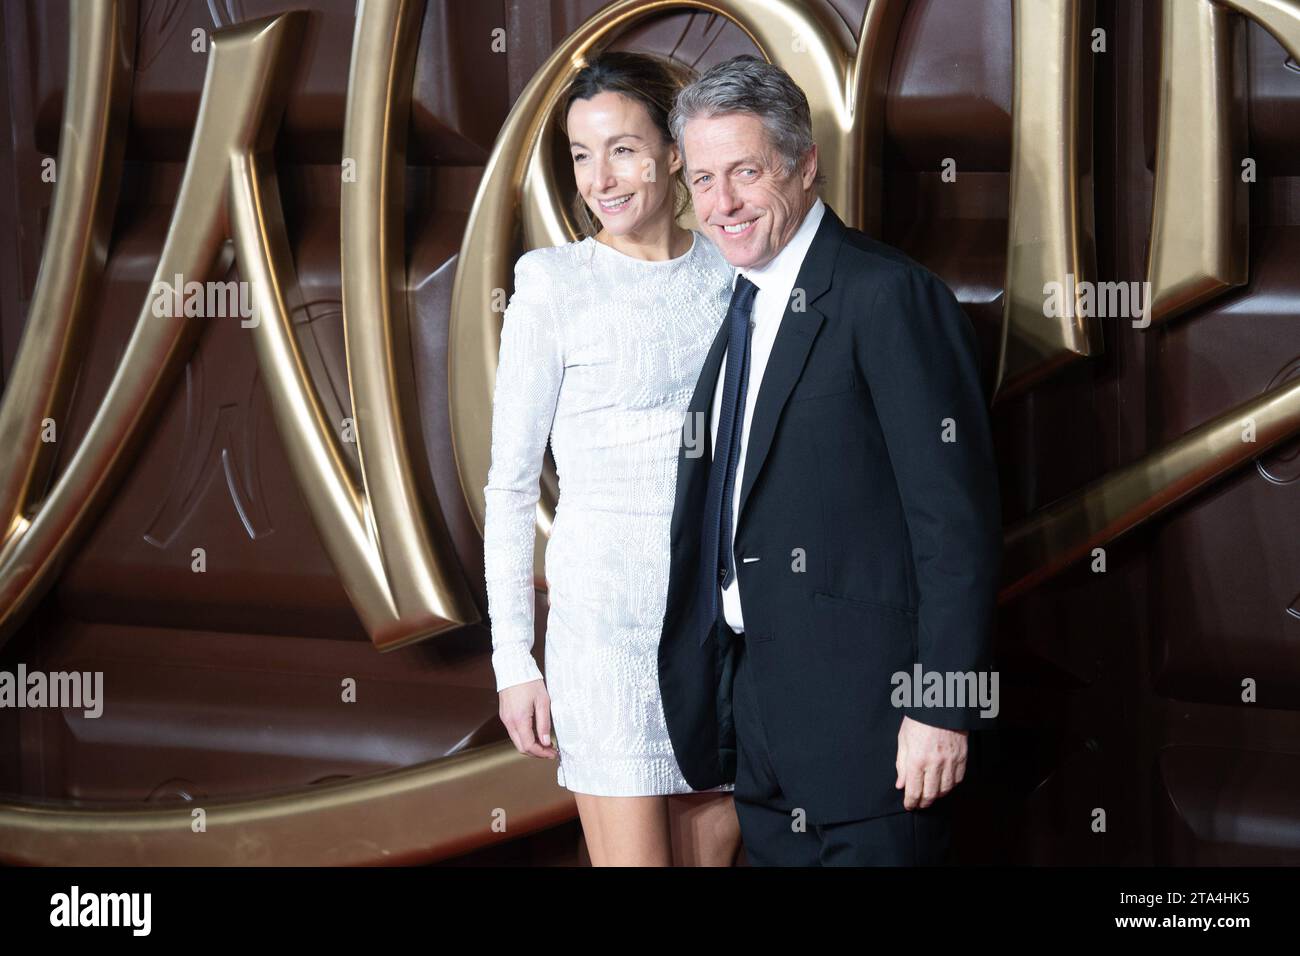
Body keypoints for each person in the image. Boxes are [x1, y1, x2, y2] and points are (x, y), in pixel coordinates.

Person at [657, 54, 1003, 866]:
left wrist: (943, 709)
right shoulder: (740, 306)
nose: (723, 203)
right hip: (767, 734)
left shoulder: (888, 295)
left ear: (805, 164)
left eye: (746, 171)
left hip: (882, 737)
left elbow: (955, 522)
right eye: (703, 180)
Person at [483, 51, 742, 866]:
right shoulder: (553, 283)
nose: (601, 177)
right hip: (604, 629)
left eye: (623, 149)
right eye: (582, 155)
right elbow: (511, 485)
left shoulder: (738, 277)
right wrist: (513, 661)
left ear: (675, 151)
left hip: (718, 625)